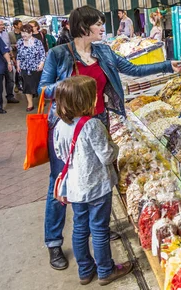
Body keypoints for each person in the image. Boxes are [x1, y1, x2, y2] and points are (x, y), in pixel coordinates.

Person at [39, 5, 181, 270]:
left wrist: (167, 65)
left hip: (98, 122)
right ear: (83, 27)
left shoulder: (103, 51)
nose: (103, 28)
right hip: (68, 127)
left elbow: (132, 69)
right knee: (61, 183)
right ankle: (53, 242)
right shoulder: (58, 54)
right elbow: (43, 89)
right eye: (98, 24)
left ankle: (99, 229)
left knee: (100, 181)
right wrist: (70, 88)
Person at [53, 75, 133, 285]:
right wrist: (115, 146)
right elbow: (107, 156)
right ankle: (106, 270)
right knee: (99, 228)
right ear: (86, 101)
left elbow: (60, 154)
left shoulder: (60, 126)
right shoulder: (93, 125)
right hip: (97, 187)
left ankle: (85, 271)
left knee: (80, 228)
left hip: (76, 188)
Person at [16, 24, 46, 111]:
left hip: (36, 67)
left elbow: (42, 54)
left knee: (38, 85)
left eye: (26, 32)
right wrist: (18, 65)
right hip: (24, 67)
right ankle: (30, 104)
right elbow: (19, 55)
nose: (24, 35)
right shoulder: (20, 42)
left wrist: (41, 64)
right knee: (26, 85)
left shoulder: (37, 42)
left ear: (31, 33)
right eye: (22, 32)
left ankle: (41, 100)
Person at [0, 19, 19, 104]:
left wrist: (13, 58)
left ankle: (10, 96)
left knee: (10, 79)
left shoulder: (5, 34)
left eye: (3, 24)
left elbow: (9, 47)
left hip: (7, 60)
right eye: (0, 25)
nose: (2, 26)